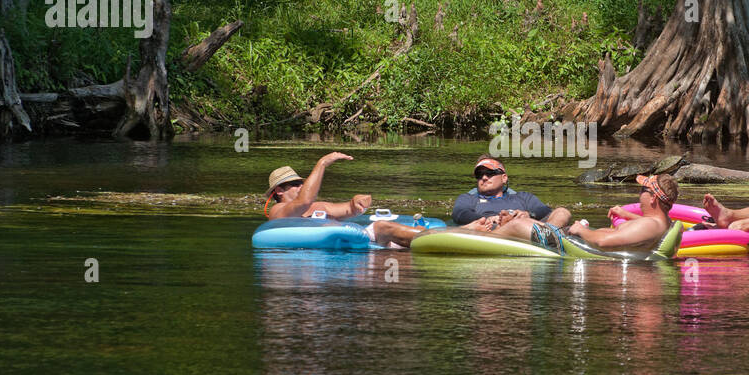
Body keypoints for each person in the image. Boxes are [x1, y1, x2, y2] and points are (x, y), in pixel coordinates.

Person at [469, 174, 678, 253]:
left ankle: (472, 236)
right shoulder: (660, 221)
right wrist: (627, 214)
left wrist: (581, 231)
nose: (639, 194)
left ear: (653, 199)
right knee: (552, 214)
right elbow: (642, 226)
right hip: (575, 239)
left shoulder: (650, 226)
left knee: (516, 225)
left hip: (571, 244)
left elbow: (605, 243)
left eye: (643, 190)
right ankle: (494, 229)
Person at [263, 154, 421, 248]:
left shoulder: (316, 207)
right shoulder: (277, 212)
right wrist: (322, 163)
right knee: (383, 229)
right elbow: (304, 201)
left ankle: (434, 237)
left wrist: (357, 202)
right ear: (279, 191)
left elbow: (349, 210)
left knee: (383, 228)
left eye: (302, 183)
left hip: (360, 242)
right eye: (296, 184)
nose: (302, 186)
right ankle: (429, 238)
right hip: (352, 249)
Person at [450, 156, 571, 227]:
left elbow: (545, 210)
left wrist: (528, 215)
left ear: (504, 178)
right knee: (515, 225)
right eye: (479, 175)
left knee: (562, 212)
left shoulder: (522, 197)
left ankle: (548, 237)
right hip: (496, 230)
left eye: (490, 173)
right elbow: (459, 214)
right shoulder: (468, 198)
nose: (484, 178)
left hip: (527, 227)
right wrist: (487, 219)